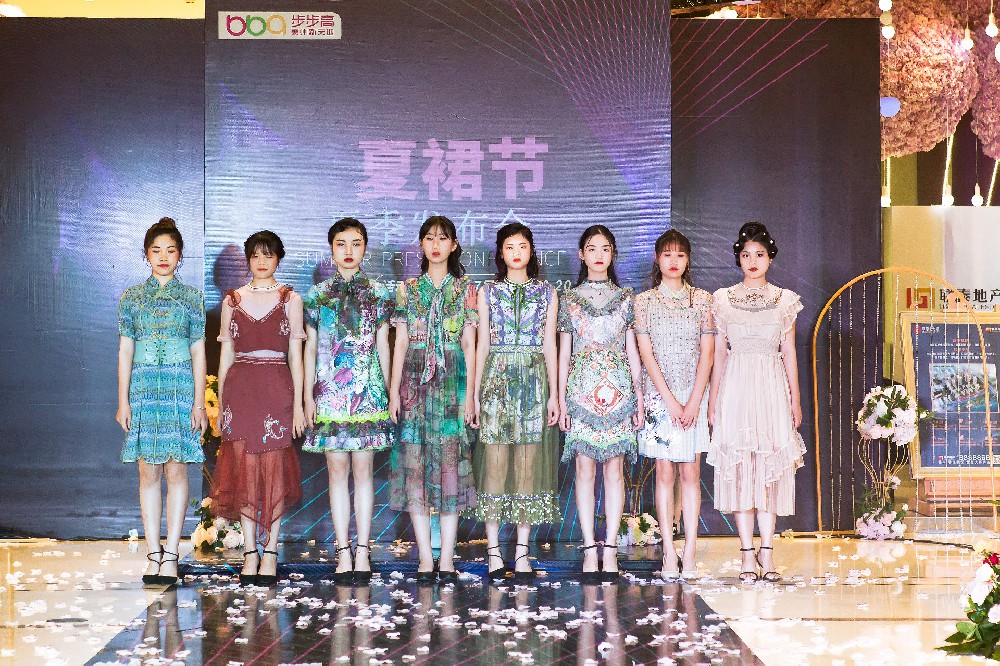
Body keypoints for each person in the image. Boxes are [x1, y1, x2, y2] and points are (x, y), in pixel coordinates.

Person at [708, 221, 805, 583]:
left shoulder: (785, 300)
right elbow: (719, 353)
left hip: (771, 387)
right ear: (738, 258)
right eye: (746, 254)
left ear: (770, 258)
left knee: (768, 466)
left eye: (759, 254)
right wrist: (713, 400)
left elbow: (789, 352)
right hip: (735, 386)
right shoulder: (722, 299)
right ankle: (747, 553)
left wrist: (795, 400)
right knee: (740, 466)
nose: (752, 261)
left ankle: (768, 550)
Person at [302, 218, 395, 584]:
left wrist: (386, 392)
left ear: (365, 248)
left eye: (356, 243)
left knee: (364, 472)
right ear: (332, 249)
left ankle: (363, 550)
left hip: (368, 393)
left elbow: (384, 346)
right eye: (341, 244)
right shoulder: (318, 295)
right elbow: (310, 349)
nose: (349, 251)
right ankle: (342, 550)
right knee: (337, 472)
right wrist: (308, 396)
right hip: (329, 395)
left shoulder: (379, 293)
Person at [116, 217, 208, 586]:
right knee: (148, 472)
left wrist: (199, 402)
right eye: (156, 250)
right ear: (146, 255)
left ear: (180, 255)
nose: (163, 256)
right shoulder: (131, 298)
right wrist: (123, 401)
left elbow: (198, 352)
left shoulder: (192, 298)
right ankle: (153, 553)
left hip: (180, 388)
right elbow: (125, 351)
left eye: (170, 250)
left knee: (177, 471)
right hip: (143, 389)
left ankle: (171, 553)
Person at [388, 215, 478, 583]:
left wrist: (470, 396)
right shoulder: (408, 290)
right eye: (429, 238)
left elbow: (470, 345)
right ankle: (426, 557)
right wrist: (394, 391)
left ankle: (447, 558)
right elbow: (401, 343)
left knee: (451, 466)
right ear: (421, 245)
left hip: (453, 379)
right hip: (414, 380)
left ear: (454, 245)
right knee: (415, 466)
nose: (436, 245)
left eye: (443, 238)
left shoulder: (465, 289)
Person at [213, 230, 305, 586]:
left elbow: (296, 357)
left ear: (278, 258)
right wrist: (221, 403)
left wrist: (298, 405)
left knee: (274, 470)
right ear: (248, 260)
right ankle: (250, 551)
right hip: (241, 390)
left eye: (268, 255)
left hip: (277, 387)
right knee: (245, 470)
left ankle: (271, 550)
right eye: (255, 255)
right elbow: (225, 355)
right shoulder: (233, 300)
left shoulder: (290, 299)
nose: (262, 261)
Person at [469, 223, 560, 582]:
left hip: (534, 383)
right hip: (496, 380)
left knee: (527, 467)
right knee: (493, 463)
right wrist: (475, 394)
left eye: (523, 246)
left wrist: (554, 394)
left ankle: (522, 553)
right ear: (501, 253)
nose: (517, 252)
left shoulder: (547, 293)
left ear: (531, 251)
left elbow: (550, 345)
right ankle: (493, 552)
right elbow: (482, 346)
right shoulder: (488, 292)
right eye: (510, 247)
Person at [557, 225, 644, 582]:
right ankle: (589, 547)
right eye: (591, 248)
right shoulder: (569, 299)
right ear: (581, 254)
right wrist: (562, 400)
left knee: (614, 470)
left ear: (612, 254)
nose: (598, 255)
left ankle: (610, 549)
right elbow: (564, 354)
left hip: (619, 392)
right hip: (581, 392)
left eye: (605, 248)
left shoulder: (626, 298)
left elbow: (632, 352)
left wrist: (638, 397)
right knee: (584, 469)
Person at [634, 229, 714, 580]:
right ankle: (668, 551)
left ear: (688, 260)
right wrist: (669, 401)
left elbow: (707, 353)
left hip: (694, 395)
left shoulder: (703, 300)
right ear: (657, 258)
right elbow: (646, 354)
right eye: (667, 254)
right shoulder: (644, 302)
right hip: (659, 397)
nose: (673, 261)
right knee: (664, 473)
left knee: (691, 473)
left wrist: (694, 401)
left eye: (680, 255)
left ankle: (690, 550)